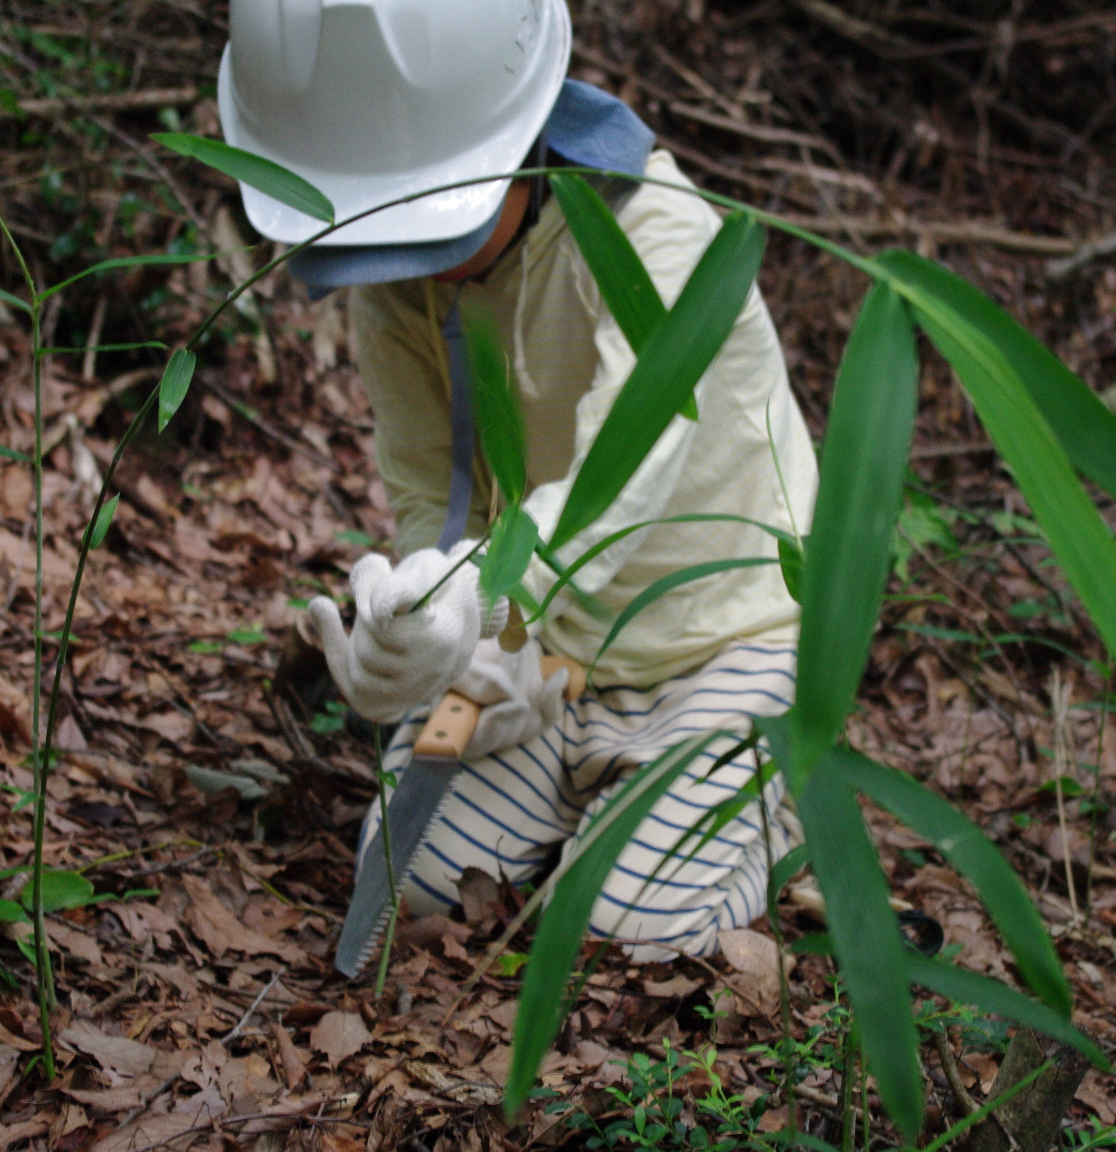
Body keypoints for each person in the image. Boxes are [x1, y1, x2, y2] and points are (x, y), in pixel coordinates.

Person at [219, 0, 817, 960]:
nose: (400, 262)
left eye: (421, 225)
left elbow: (624, 472)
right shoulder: (394, 279)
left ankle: (767, 818)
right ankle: (610, 814)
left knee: (628, 933)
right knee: (414, 881)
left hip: (718, 636)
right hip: (549, 645)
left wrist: (491, 595)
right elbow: (429, 483)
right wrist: (430, 619)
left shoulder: (659, 237)